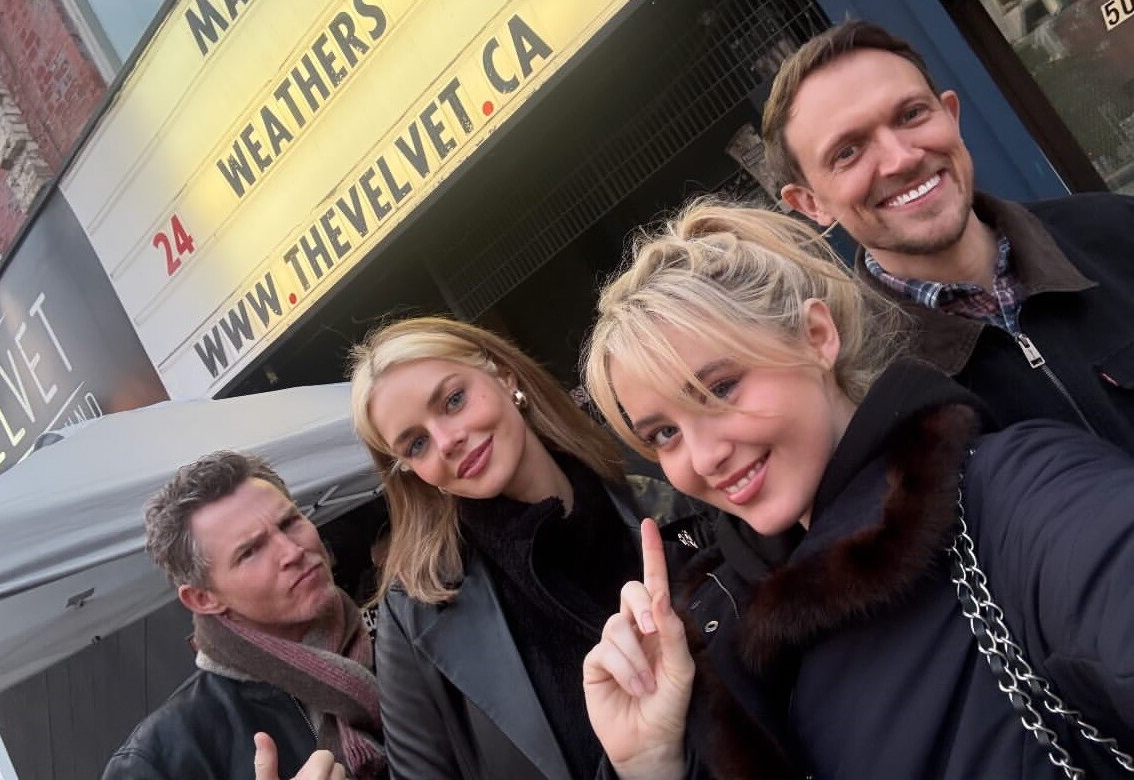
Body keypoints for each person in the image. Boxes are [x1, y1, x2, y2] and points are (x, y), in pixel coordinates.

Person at [581, 198, 1134, 778]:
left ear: (817, 336)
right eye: (664, 433)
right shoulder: (707, 640)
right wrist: (651, 763)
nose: (704, 457)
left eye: (720, 388)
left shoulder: (1016, 498)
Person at [347, 316, 709, 780]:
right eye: (417, 444)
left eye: (454, 400)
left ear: (504, 376)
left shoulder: (669, 484)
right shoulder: (415, 615)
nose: (447, 441)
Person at [765, 19, 1134, 452]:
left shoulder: (1116, 229)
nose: (901, 159)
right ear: (810, 204)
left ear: (951, 115)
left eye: (911, 115)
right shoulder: (862, 393)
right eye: (848, 152)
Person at [102, 451, 385, 780]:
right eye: (250, 551)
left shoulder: (404, 634)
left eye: (289, 523)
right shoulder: (161, 758)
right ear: (203, 598)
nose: (292, 552)